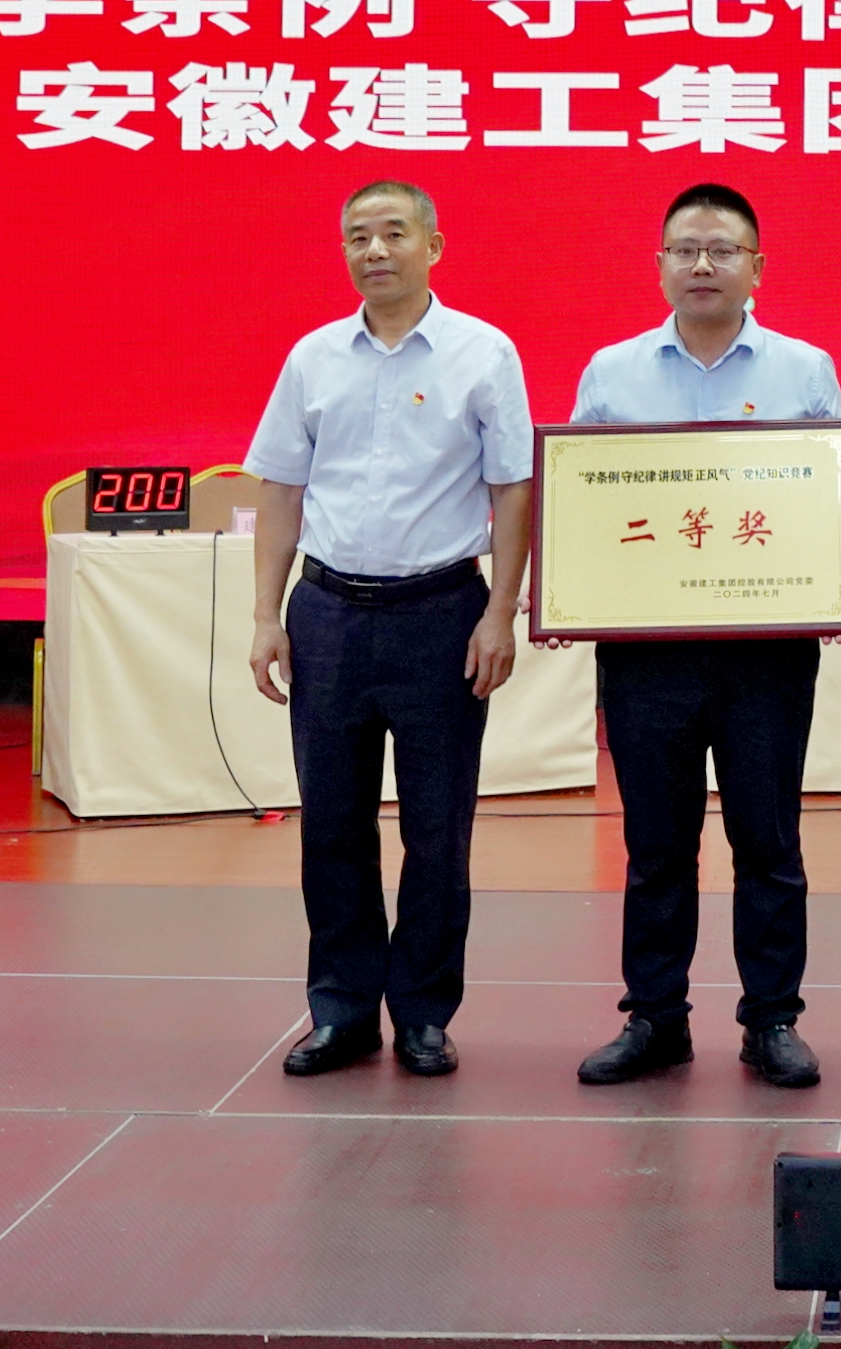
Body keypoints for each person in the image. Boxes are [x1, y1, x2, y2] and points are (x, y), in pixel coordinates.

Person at [245, 179, 534, 1080]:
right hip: (327, 613)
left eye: (394, 233)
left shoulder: (484, 353)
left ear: (433, 246)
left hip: (440, 614)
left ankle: (423, 1012)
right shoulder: (313, 357)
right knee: (331, 824)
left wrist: (500, 610)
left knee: (438, 830)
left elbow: (513, 488)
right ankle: (340, 1010)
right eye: (358, 237)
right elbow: (281, 489)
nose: (375, 250)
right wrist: (265, 614)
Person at [567, 183, 841, 1091]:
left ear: (757, 267)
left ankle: (772, 1020)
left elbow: (830, 499)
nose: (701, 265)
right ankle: (656, 1018)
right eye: (684, 249)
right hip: (647, 650)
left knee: (768, 841)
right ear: (658, 265)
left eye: (722, 250)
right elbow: (582, 505)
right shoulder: (612, 373)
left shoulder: (803, 370)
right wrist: (570, 591)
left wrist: (828, 582)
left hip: (766, 650)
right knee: (656, 846)